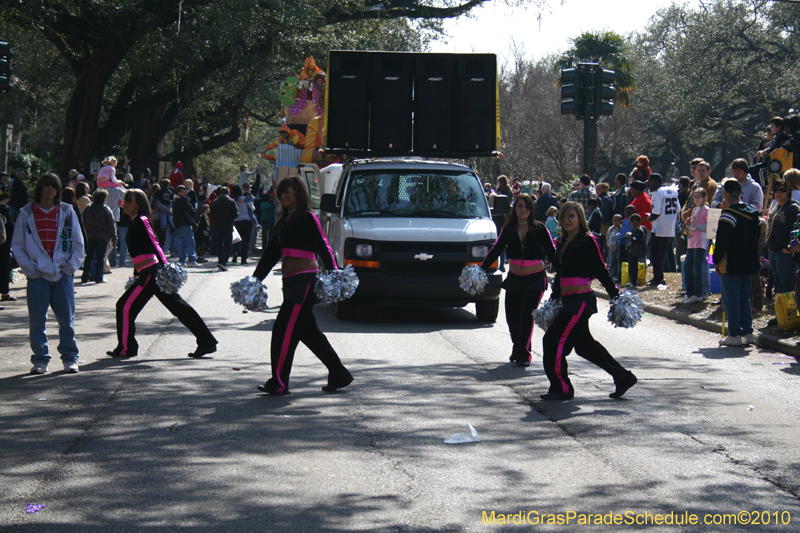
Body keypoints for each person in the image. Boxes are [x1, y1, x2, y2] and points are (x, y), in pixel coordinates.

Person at [252, 177, 353, 395]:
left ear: (298, 193)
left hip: (304, 282)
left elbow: (323, 246)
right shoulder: (283, 221)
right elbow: (270, 255)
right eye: (280, 193)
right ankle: (339, 374)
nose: (282, 196)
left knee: (282, 330)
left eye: (287, 192)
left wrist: (334, 273)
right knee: (308, 333)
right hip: (289, 283)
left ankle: (279, 382)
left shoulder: (307, 217)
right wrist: (255, 280)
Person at [541, 202, 636, 401]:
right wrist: (554, 299)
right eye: (564, 216)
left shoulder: (587, 240)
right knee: (584, 346)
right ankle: (623, 377)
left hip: (580, 301)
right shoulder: (563, 240)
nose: (567, 220)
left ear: (580, 218)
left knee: (552, 341)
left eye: (572, 216)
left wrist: (615, 295)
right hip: (567, 301)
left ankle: (561, 387)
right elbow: (560, 273)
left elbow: (601, 270)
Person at [109, 188, 217, 359]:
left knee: (124, 306)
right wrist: (136, 274)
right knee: (179, 308)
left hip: (152, 273)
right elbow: (138, 253)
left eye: (129, 200)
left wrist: (166, 269)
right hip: (148, 273)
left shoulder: (142, 220)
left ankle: (126, 348)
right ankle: (207, 341)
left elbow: (155, 245)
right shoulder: (134, 221)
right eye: (125, 199)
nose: (125, 203)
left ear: (138, 204)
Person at [12, 173, 85, 374]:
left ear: (58, 189)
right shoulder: (26, 213)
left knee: (67, 320)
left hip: (63, 274)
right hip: (37, 277)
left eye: (53, 186)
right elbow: (17, 246)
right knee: (37, 321)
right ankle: (40, 360)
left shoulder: (67, 211)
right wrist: (30, 269)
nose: (50, 189)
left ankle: (70, 358)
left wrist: (69, 268)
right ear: (40, 189)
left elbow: (78, 243)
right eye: (46, 186)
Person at [480, 194, 556, 366]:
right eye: (520, 206)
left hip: (535, 279)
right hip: (514, 279)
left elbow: (552, 252)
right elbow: (496, 249)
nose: (523, 209)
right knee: (512, 317)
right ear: (515, 209)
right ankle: (519, 347)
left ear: (531, 209)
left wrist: (564, 272)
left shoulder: (539, 228)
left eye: (526, 206)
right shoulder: (509, 229)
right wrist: (481, 269)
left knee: (527, 316)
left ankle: (523, 354)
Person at [713, 179, 760, 346]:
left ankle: (734, 334)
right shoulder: (752, 212)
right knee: (744, 298)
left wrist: (716, 260)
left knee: (731, 299)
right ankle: (747, 332)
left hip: (731, 262)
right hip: (749, 261)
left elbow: (722, 241)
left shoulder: (728, 214)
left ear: (726, 194)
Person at [765, 178, 800, 294]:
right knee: (778, 284)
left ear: (788, 191)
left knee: (787, 284)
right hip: (773, 251)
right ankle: (780, 306)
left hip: (785, 253)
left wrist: (788, 248)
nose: (778, 193)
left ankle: (789, 306)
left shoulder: (793, 208)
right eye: (775, 191)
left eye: (782, 190)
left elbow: (796, 229)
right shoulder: (776, 206)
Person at [647, 173, 679, 286]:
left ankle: (658, 277)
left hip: (659, 227)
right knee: (663, 253)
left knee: (655, 254)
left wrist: (649, 218)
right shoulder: (672, 191)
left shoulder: (657, 192)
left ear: (657, 182)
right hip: (670, 226)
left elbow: (656, 212)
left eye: (651, 183)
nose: (650, 185)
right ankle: (659, 276)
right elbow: (678, 209)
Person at [80, 188, 116, 284]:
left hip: (90, 235)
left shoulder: (87, 209)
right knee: (100, 258)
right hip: (103, 236)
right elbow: (111, 224)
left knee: (89, 257)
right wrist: (114, 237)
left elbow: (83, 222)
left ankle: (85, 276)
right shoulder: (106, 209)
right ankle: (99, 277)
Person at [682, 188, 709, 304]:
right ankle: (690, 293)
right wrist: (688, 224)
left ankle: (699, 294)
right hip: (692, 241)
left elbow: (709, 228)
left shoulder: (706, 210)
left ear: (704, 198)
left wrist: (697, 226)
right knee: (687, 267)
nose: (696, 199)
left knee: (697, 268)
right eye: (694, 197)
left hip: (700, 242)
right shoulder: (694, 209)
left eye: (698, 197)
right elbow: (693, 226)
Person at [210, 186, 238, 271]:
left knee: (219, 243)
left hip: (217, 226)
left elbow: (212, 214)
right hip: (228, 225)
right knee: (227, 244)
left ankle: (220, 259)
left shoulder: (214, 202)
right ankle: (223, 262)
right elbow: (236, 214)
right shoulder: (231, 201)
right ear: (228, 193)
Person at [173, 185, 199, 267]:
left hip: (178, 224)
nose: (185, 193)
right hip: (184, 223)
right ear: (178, 192)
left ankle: (182, 260)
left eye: (185, 192)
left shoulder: (177, 200)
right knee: (190, 241)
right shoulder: (182, 201)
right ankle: (192, 260)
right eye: (183, 192)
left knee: (182, 243)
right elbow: (191, 210)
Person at [625, 214, 647, 288]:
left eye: (631, 223)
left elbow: (638, 237)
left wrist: (631, 235)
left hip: (635, 251)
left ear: (635, 221)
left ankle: (634, 282)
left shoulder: (640, 229)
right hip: (632, 252)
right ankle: (632, 280)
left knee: (633, 267)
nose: (631, 225)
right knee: (631, 266)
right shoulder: (636, 229)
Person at [0, 192, 14, 302]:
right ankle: (5, 293)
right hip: (3, 246)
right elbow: (10, 228)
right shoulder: (4, 210)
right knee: (4, 269)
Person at [606, 214, 623, 282]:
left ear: (621, 221)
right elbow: (607, 237)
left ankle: (618, 275)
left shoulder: (621, 229)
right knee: (612, 261)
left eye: (618, 221)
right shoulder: (610, 229)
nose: (616, 222)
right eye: (614, 221)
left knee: (618, 262)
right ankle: (611, 274)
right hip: (611, 248)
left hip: (618, 248)